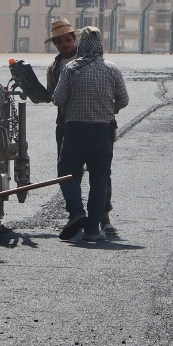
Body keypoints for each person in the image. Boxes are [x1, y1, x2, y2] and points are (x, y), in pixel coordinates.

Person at [52, 27, 127, 243]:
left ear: (81, 45)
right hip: (103, 132)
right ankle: (93, 230)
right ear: (100, 45)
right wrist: (106, 109)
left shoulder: (72, 69)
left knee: (66, 172)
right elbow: (123, 100)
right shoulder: (112, 69)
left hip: (75, 130)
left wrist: (74, 106)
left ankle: (77, 212)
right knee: (99, 180)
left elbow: (58, 98)